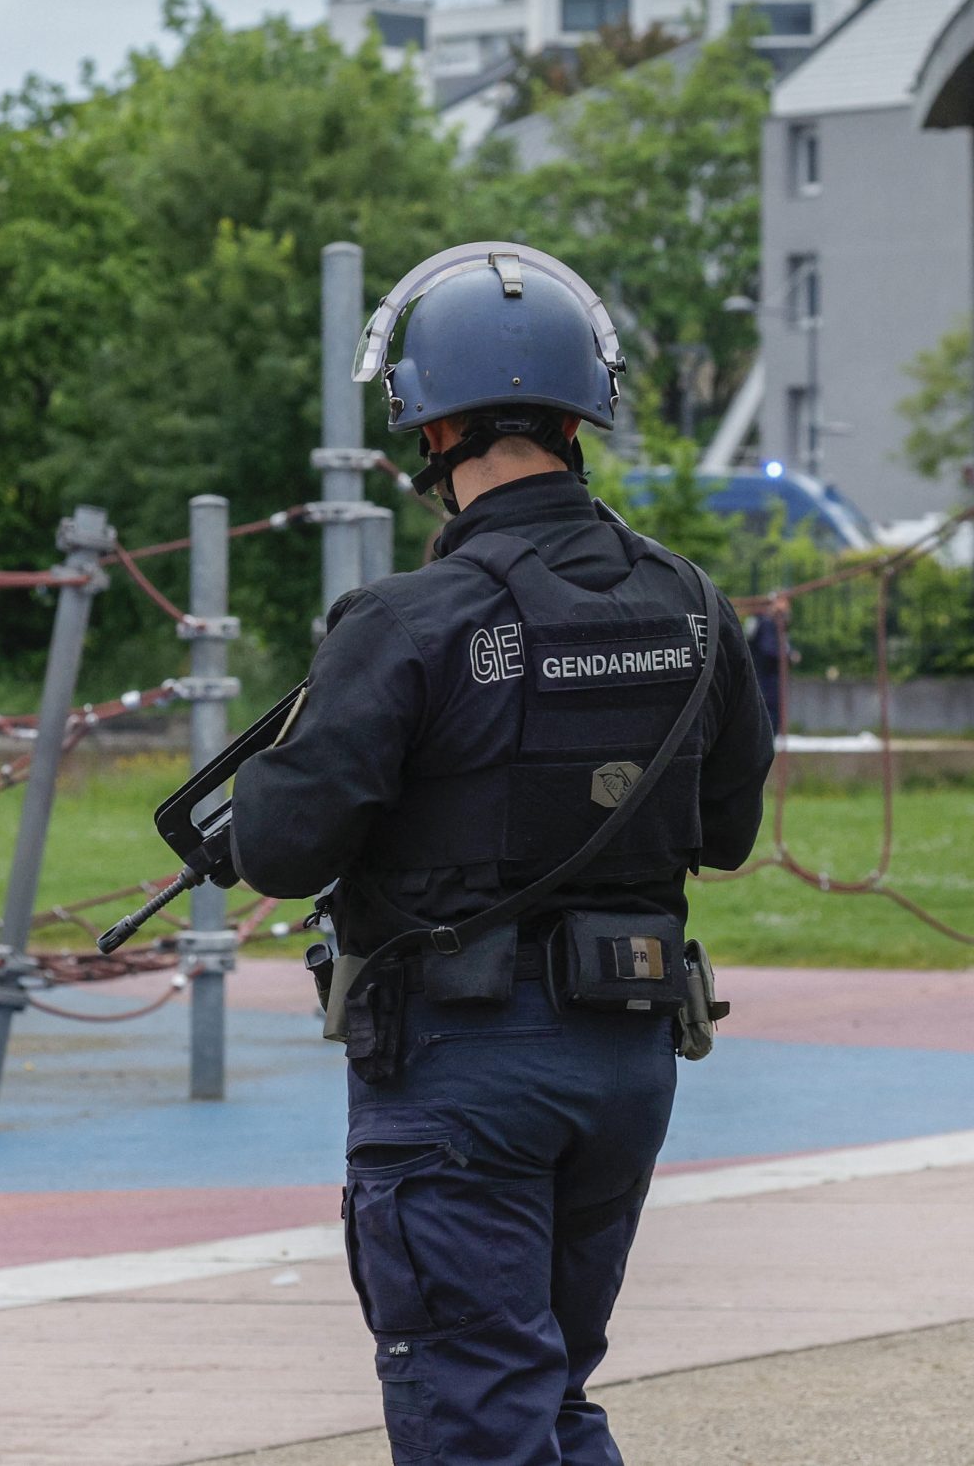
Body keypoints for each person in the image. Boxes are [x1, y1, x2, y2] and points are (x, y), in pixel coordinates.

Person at [230, 242, 774, 1466]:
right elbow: (729, 830)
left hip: (460, 1068)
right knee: (544, 1395)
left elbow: (279, 849)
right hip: (627, 1058)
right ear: (580, 418)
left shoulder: (404, 622)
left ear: (433, 429)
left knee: (477, 1409)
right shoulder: (694, 605)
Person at [746, 591, 794, 739]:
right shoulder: (767, 622)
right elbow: (768, 649)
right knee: (769, 711)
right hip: (765, 676)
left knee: (771, 712)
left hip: (765, 675)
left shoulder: (767, 622)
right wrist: (788, 655)